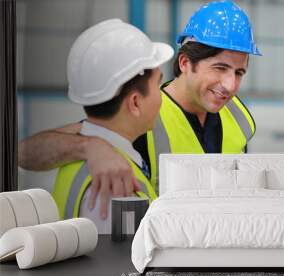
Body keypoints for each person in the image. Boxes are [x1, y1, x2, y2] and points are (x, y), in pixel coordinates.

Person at [18, 1, 261, 220]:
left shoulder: (238, 115)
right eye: (219, 68)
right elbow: (26, 152)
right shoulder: (144, 115)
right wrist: (90, 146)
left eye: (239, 73)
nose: (230, 86)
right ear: (185, 63)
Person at [50, 19, 173, 233]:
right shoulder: (115, 187)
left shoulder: (79, 158)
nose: (162, 95)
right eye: (158, 85)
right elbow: (123, 265)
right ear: (135, 103)